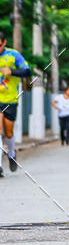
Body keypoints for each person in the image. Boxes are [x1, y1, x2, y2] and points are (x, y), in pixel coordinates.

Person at [0, 29, 31, 176]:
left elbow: (27, 71)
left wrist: (12, 71)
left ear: (4, 43)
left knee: (8, 132)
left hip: (11, 99)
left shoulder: (13, 55)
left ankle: (11, 153)